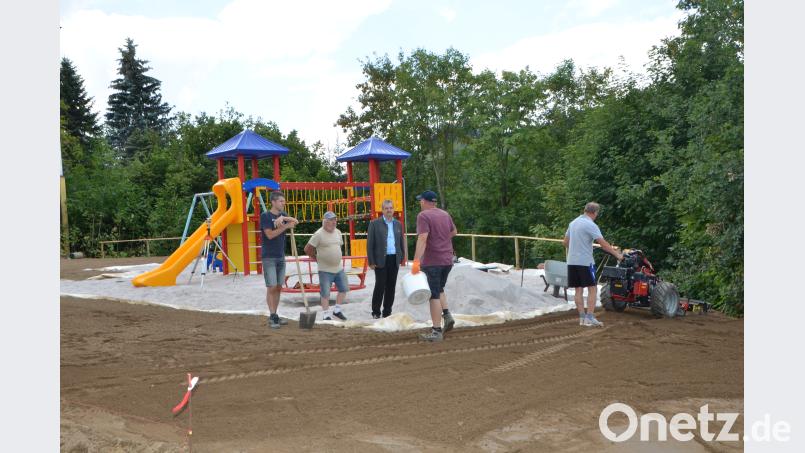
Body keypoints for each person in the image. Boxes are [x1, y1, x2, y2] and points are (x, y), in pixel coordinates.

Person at [563, 202, 623, 327]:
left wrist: (578, 248)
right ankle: (590, 317)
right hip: (586, 262)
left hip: (572, 261)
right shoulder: (591, 225)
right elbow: (603, 244)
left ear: (585, 210)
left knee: (578, 290)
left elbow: (565, 242)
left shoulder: (573, 223)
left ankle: (582, 318)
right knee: (593, 289)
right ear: (595, 212)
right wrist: (617, 255)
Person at [411, 190, 457, 342]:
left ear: (424, 201)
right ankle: (447, 315)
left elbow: (423, 238)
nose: (420, 203)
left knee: (433, 295)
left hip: (433, 261)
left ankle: (436, 331)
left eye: (420, 200)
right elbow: (454, 232)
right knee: (439, 288)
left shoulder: (423, 216)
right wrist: (441, 240)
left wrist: (416, 261)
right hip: (447, 260)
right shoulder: (445, 214)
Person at [260, 191, 299, 329]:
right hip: (269, 257)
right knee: (271, 287)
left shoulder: (283, 215)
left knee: (278, 287)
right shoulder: (265, 216)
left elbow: (296, 221)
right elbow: (270, 235)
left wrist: (284, 218)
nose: (283, 203)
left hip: (280, 256)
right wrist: (285, 226)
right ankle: (272, 316)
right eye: (281, 201)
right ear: (273, 202)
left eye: (284, 201)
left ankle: (275, 314)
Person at [304, 211, 348, 321]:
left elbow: (338, 246)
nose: (334, 222)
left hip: (338, 268)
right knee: (325, 293)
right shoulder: (318, 234)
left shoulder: (338, 232)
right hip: (325, 269)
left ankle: (337, 310)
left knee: (344, 288)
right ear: (325, 222)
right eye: (331, 220)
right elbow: (307, 249)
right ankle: (326, 314)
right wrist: (316, 258)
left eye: (335, 220)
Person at [367, 199, 407, 319]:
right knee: (380, 285)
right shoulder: (374, 224)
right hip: (380, 259)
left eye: (391, 208)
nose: (389, 210)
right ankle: (376, 312)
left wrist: (402, 256)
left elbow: (401, 241)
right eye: (386, 208)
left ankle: (387, 312)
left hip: (394, 259)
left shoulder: (398, 224)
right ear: (382, 210)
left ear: (393, 209)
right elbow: (370, 244)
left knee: (391, 287)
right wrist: (371, 261)